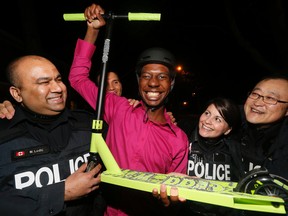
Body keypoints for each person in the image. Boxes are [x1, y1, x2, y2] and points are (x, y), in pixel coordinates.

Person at [68, 3, 189, 215]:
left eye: (162, 77)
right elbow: (77, 78)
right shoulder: (118, 108)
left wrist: (172, 201)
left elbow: (176, 192)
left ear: (171, 84)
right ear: (138, 81)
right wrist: (93, 30)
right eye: (146, 76)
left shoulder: (178, 139)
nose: (153, 83)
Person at [0, 55, 102, 216]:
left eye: (59, 79)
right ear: (17, 93)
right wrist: (60, 193)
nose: (58, 88)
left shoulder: (89, 125)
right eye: (44, 82)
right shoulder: (4, 137)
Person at [153, 97, 243, 215]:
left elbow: (239, 192)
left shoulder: (235, 150)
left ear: (228, 130)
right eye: (207, 113)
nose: (207, 121)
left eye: (218, 119)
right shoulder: (183, 139)